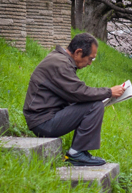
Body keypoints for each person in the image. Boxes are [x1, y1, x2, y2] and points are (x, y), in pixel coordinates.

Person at [23, 32, 124, 166]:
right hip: (43, 123)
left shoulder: (60, 60)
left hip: (42, 119)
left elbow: (74, 94)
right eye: (90, 59)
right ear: (78, 52)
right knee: (95, 105)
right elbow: (79, 92)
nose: (89, 63)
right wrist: (109, 92)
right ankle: (77, 153)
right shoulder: (60, 64)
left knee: (93, 103)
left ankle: (80, 151)